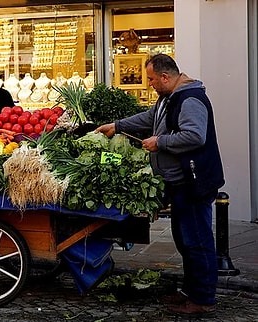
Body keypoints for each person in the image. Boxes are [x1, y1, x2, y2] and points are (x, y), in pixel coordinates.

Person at [95, 54, 224, 316]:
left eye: (152, 79)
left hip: (193, 182)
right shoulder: (168, 98)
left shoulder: (190, 99)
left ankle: (203, 299)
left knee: (196, 240)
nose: (150, 84)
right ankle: (191, 292)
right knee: (184, 239)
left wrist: (160, 143)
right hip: (179, 182)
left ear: (165, 77)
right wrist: (117, 126)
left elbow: (195, 136)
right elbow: (149, 118)